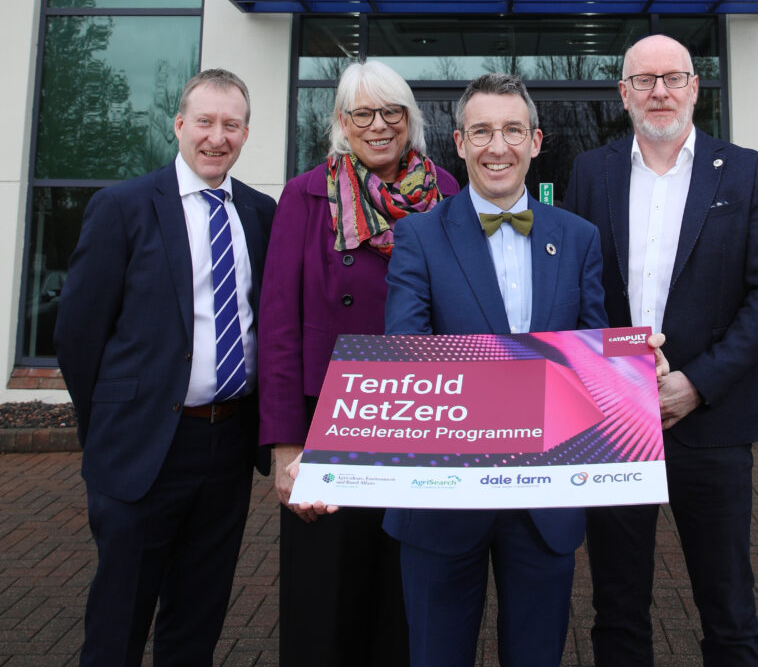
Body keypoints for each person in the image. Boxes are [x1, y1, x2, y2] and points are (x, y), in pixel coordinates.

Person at [562, 34, 758, 667]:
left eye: (673, 78)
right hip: (615, 418)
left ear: (695, 87)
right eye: (644, 80)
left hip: (713, 420)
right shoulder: (591, 170)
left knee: (729, 605)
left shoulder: (744, 169)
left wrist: (697, 382)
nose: (659, 91)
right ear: (623, 93)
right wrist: (616, 375)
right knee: (617, 604)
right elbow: (580, 290)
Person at [380, 73, 610, 667]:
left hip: (545, 502)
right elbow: (407, 355)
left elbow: (589, 354)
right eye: (481, 131)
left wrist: (630, 365)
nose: (497, 146)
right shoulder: (418, 237)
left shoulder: (580, 238)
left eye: (512, 130)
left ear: (536, 141)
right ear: (458, 143)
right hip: (441, 498)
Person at [54, 68, 276, 666]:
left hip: (227, 445)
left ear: (246, 133)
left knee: (197, 618)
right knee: (118, 620)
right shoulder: (123, 207)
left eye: (231, 125)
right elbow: (78, 336)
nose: (216, 136)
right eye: (204, 121)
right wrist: (104, 427)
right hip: (142, 445)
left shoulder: (260, 214)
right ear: (179, 125)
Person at [258, 60, 459, 666]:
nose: (378, 126)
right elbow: (278, 328)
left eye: (391, 112)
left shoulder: (447, 192)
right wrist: (285, 449)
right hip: (331, 422)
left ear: (410, 120)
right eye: (363, 114)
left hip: (424, 419)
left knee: (410, 592)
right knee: (326, 600)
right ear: (341, 123)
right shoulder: (306, 194)